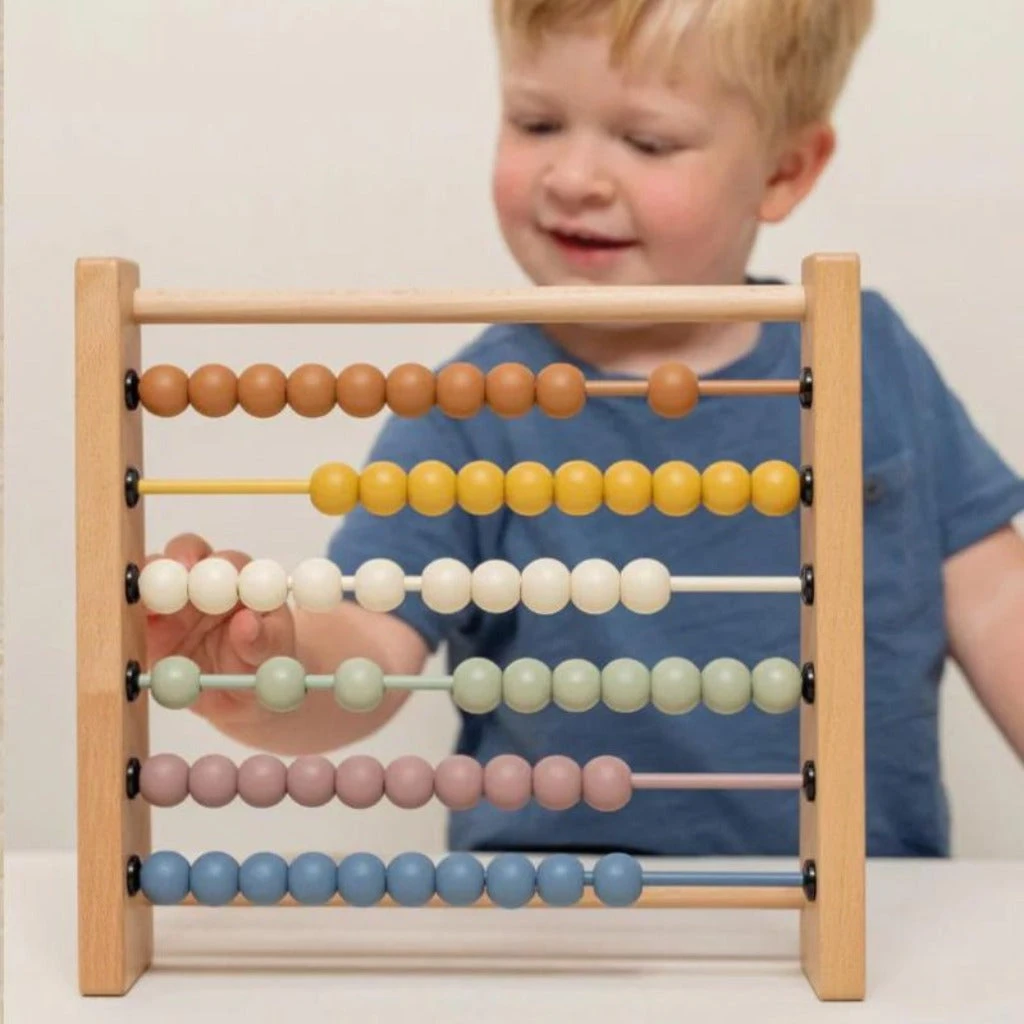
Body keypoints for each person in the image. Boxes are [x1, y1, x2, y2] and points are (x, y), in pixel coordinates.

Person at [148, 0, 1024, 857]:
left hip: (860, 923)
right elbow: (370, 643)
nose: (573, 177)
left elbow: (996, 601)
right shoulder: (473, 407)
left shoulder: (864, 361)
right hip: (558, 925)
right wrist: (270, 669)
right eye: (535, 123)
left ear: (785, 170)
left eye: (646, 142)